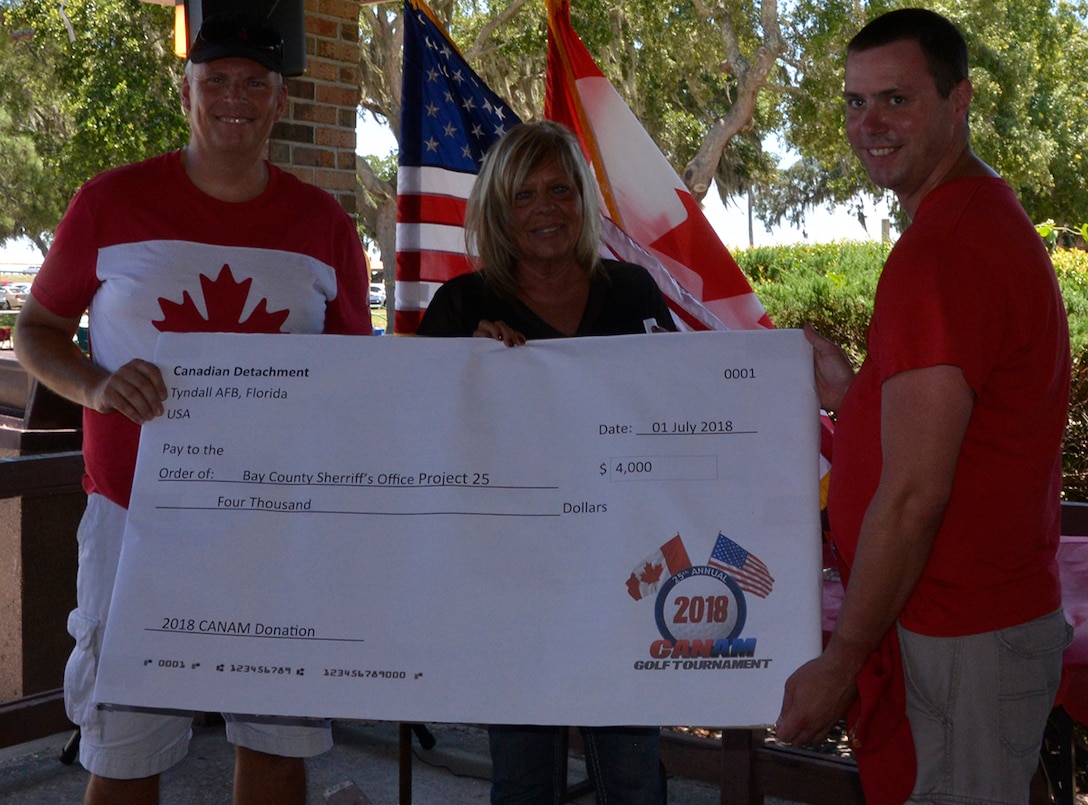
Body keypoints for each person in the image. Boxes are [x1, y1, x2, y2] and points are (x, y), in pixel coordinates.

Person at [14, 12, 371, 805]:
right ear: (187, 94)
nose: (233, 99)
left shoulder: (325, 225)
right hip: (136, 524)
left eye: (253, 84)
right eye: (216, 82)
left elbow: (356, 377)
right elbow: (36, 331)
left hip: (280, 530)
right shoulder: (109, 202)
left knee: (278, 748)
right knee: (126, 756)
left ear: (281, 102)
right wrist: (98, 384)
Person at [775, 8, 1072, 804]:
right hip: (971, 621)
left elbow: (912, 496)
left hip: (959, 629)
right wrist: (851, 395)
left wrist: (843, 658)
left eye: (895, 100)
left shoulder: (944, 249)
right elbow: (954, 416)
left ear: (959, 101)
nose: (867, 123)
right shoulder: (975, 223)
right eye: (853, 101)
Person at [417, 120, 672, 804]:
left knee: (633, 775)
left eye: (560, 189)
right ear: (499, 213)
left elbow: (678, 415)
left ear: (583, 199)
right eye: (523, 196)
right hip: (511, 581)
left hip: (622, 572)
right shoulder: (461, 305)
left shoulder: (634, 293)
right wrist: (465, 368)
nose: (545, 209)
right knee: (524, 778)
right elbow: (417, 438)